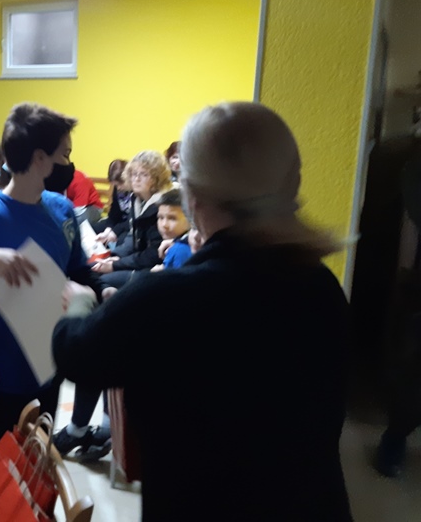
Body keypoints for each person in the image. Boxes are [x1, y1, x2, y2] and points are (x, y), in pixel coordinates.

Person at [53, 102, 352, 521]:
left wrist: (81, 302)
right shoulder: (322, 287)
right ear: (293, 183)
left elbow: (78, 355)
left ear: (191, 194)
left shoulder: (172, 296)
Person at [0, 102, 108, 443]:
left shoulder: (62, 209)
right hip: (6, 369)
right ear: (39, 159)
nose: (70, 165)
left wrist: (102, 291)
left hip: (50, 357)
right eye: (65, 155)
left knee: (40, 447)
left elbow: (77, 268)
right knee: (9, 455)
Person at [92, 151, 172, 288]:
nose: (137, 179)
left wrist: (116, 264)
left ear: (157, 178)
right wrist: (114, 256)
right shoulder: (137, 199)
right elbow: (132, 236)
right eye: (134, 174)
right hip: (139, 261)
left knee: (103, 279)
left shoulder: (162, 206)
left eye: (144, 174)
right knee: (93, 269)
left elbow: (153, 255)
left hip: (155, 268)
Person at [150, 189, 191, 272]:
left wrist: (156, 276)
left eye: (172, 218)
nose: (164, 224)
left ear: (190, 219)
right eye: (161, 217)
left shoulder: (179, 250)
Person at [95, 159, 132, 240]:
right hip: (119, 220)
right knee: (94, 228)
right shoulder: (118, 189)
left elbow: (133, 219)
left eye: (120, 184)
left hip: (129, 224)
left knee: (121, 240)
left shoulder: (136, 191)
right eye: (115, 185)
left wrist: (115, 231)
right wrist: (108, 228)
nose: (118, 188)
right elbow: (114, 211)